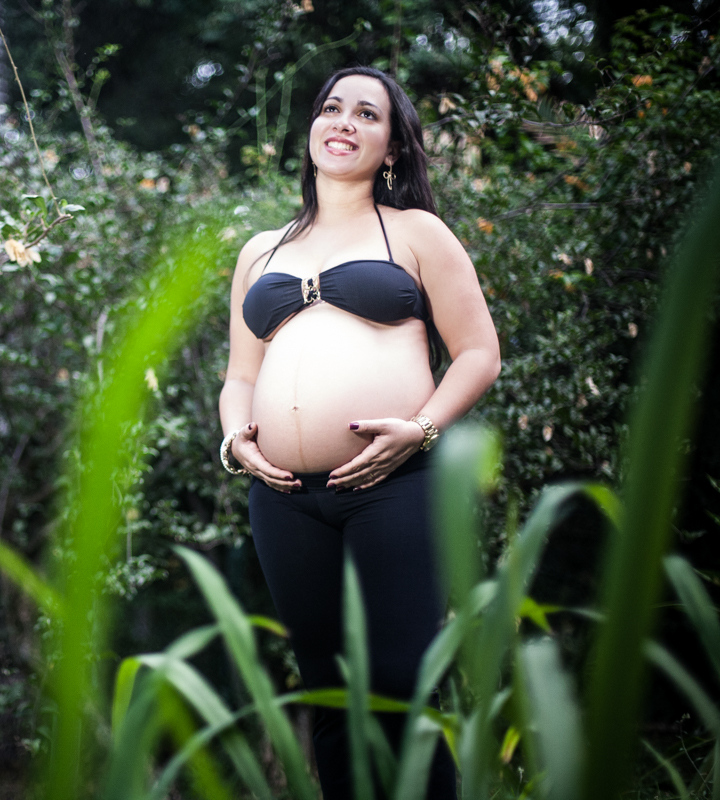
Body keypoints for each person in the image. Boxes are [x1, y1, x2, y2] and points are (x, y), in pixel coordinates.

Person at [217, 65, 500, 799]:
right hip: (283, 500)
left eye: (366, 114)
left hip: (394, 489)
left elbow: (478, 353)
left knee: (402, 685)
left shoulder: (415, 232)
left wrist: (422, 428)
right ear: (311, 128)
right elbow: (240, 376)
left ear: (394, 147)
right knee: (327, 690)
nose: (344, 122)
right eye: (332, 108)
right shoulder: (261, 251)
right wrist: (235, 439)